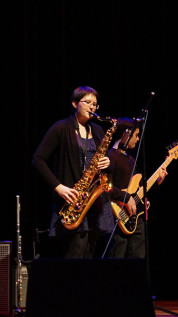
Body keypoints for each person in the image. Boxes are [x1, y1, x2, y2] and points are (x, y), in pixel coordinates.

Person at [32, 86, 114, 258]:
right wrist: (58, 187)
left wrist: (108, 163)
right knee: (73, 259)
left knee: (90, 261)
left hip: (95, 204)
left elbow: (106, 167)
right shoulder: (61, 128)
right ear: (75, 103)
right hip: (72, 201)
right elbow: (38, 159)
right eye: (88, 102)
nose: (93, 107)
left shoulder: (98, 131)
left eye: (95, 104)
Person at [104, 118, 167, 258]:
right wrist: (126, 198)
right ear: (126, 134)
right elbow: (104, 187)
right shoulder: (110, 157)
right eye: (136, 135)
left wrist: (157, 181)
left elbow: (138, 191)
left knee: (137, 264)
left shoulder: (131, 159)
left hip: (136, 218)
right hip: (118, 217)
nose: (138, 139)